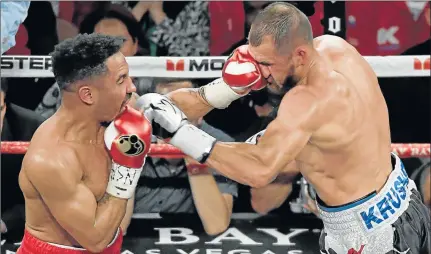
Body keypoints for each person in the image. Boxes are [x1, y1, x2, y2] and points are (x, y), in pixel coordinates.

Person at [137, 2, 431, 253]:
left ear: (299, 55)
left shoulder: (306, 102)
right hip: (404, 202)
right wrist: (224, 90)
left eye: (266, 64)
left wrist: (180, 133)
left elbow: (259, 170)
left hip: (369, 237)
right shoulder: (336, 48)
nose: (260, 73)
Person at [17, 33, 152, 253]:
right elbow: (96, 239)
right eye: (121, 79)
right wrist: (127, 167)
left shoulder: (113, 117)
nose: (132, 88)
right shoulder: (51, 159)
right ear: (88, 95)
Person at [120, 78, 237, 236]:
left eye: (182, 109)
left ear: (201, 114)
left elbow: (216, 225)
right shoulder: (134, 137)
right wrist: (128, 159)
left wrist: (193, 152)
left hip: (193, 239)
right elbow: (118, 228)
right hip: (137, 237)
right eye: (164, 108)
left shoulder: (221, 145)